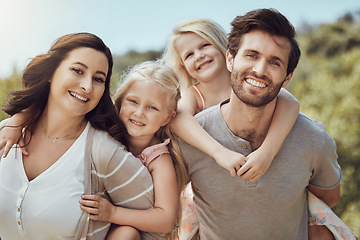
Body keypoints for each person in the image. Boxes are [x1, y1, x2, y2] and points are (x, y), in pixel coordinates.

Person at [176, 9, 342, 239]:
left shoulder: (313, 138)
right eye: (252, 55)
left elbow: (328, 198)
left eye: (275, 62)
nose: (260, 70)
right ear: (230, 59)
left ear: (288, 77)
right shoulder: (190, 137)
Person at [0, 33, 157, 240]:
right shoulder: (7, 132)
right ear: (51, 72)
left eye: (98, 79)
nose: (87, 86)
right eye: (77, 70)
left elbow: (154, 227)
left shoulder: (104, 154)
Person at [79, 61, 187, 240]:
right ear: (120, 101)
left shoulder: (158, 158)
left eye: (152, 107)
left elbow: (166, 219)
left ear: (167, 117)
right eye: (133, 101)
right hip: (91, 221)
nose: (139, 113)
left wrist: (113, 213)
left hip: (128, 227)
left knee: (126, 234)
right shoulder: (104, 134)